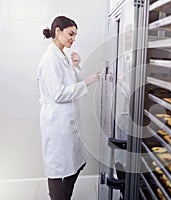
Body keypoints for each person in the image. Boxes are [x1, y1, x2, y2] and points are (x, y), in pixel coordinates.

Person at [37, 16, 100, 200]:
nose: (73, 38)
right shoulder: (50, 58)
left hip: (67, 121)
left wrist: (76, 66)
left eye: (75, 35)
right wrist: (87, 82)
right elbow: (58, 94)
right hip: (56, 123)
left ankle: (63, 197)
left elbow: (71, 81)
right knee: (57, 168)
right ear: (58, 31)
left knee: (76, 163)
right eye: (71, 34)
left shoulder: (62, 55)